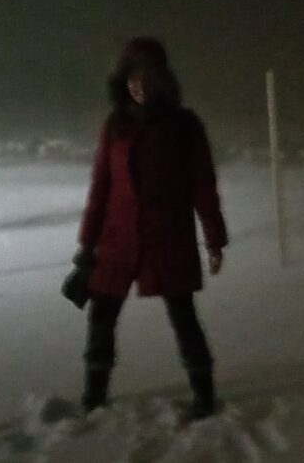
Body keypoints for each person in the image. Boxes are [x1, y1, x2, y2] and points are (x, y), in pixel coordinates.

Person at [69, 37, 228, 420]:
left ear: (161, 79)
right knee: (102, 315)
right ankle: (94, 395)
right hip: (117, 239)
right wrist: (87, 246)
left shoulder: (184, 126)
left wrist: (214, 239)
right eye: (130, 76)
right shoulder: (114, 127)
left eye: (145, 75)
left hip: (168, 237)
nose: (137, 84)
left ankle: (204, 394)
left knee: (182, 313)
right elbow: (100, 189)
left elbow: (202, 185)